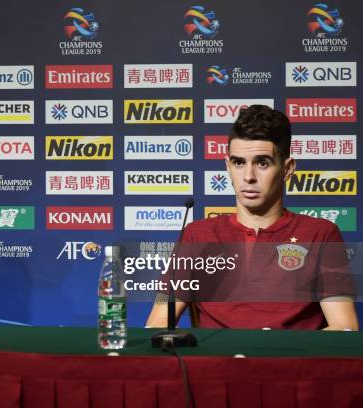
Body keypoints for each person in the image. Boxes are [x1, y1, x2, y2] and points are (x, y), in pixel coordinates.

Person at [146, 105, 358, 330]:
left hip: (289, 362)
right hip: (217, 363)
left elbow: (344, 328)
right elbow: (159, 321)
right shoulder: (196, 235)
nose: (248, 176)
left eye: (262, 163)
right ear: (227, 166)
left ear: (287, 169)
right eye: (239, 163)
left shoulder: (321, 234)